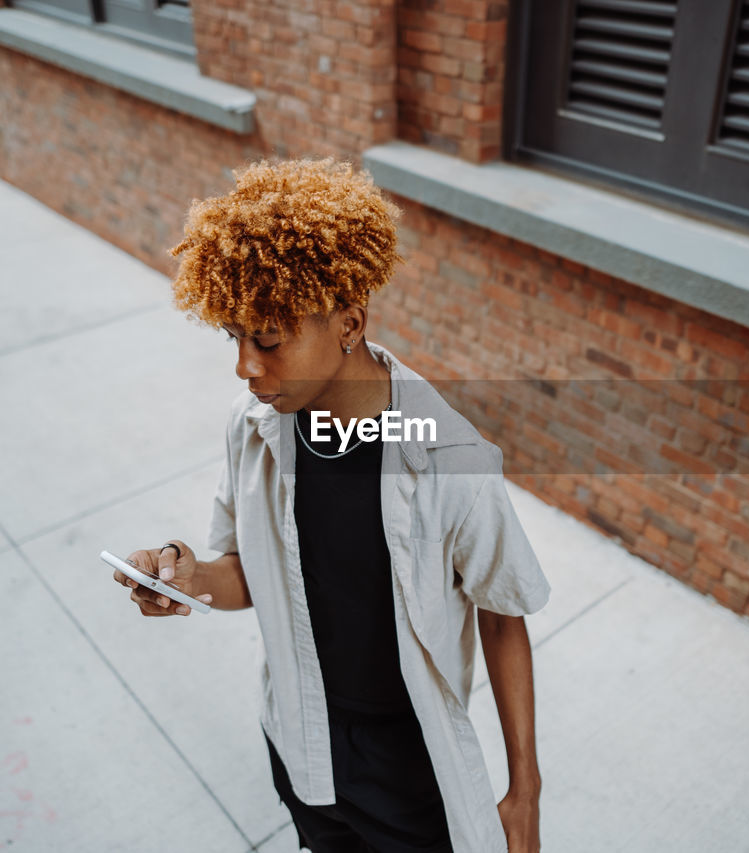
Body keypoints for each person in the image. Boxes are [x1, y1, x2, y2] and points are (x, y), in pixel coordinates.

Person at [110, 157, 551, 853]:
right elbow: (249, 571)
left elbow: (502, 614)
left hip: (407, 767)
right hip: (297, 737)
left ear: (349, 321)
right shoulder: (253, 425)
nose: (245, 366)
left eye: (269, 338)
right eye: (234, 336)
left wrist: (524, 792)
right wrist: (189, 577)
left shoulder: (446, 455)